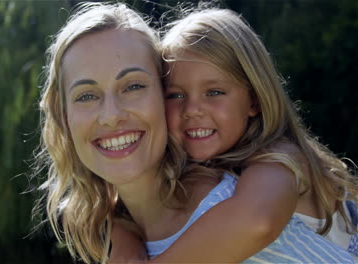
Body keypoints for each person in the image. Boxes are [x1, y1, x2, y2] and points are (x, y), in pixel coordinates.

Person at [31, 2, 356, 264]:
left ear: (254, 100)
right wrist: (119, 231)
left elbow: (257, 221)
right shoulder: (204, 174)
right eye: (177, 95)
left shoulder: (275, 161)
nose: (192, 110)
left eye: (133, 86)